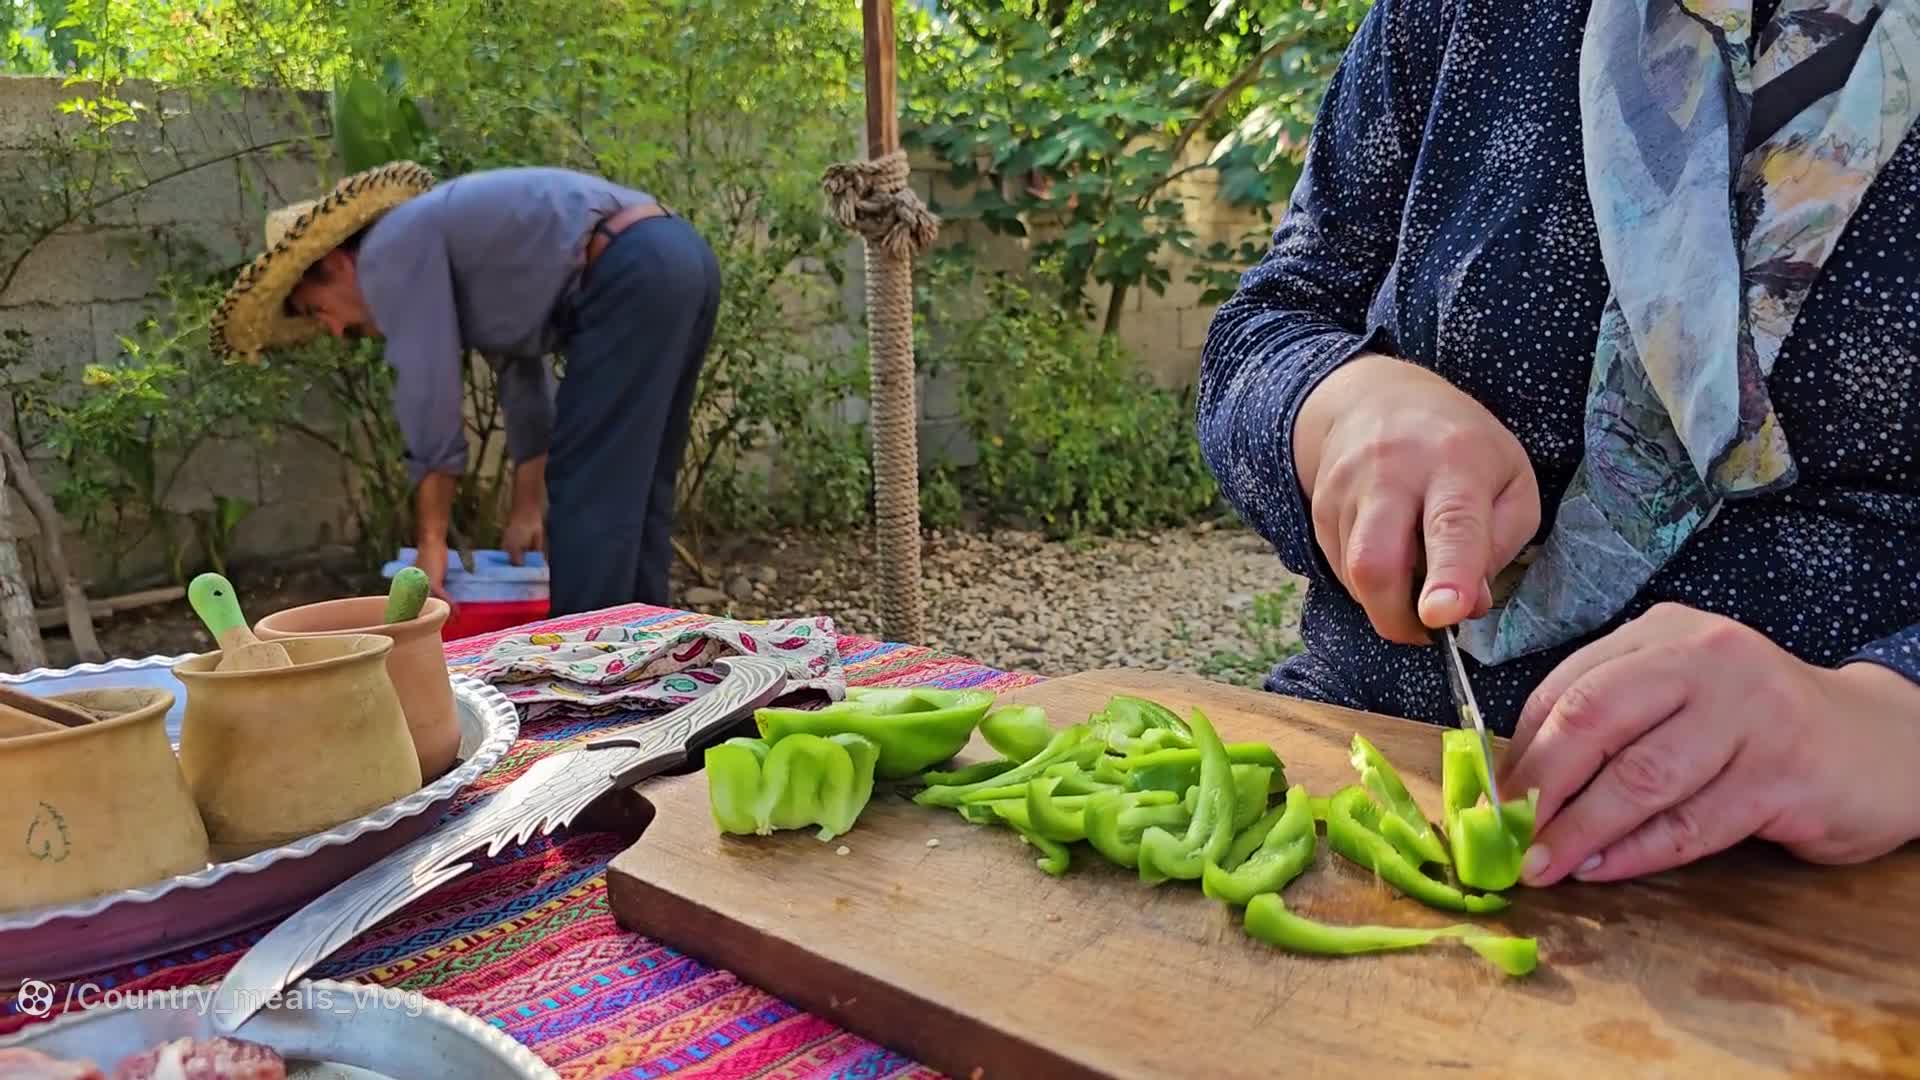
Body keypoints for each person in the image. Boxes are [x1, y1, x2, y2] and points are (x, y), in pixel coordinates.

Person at [1197, 0, 1920, 891]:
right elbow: (1269, 325)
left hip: (1834, 890)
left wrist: (1889, 714)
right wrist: (1340, 404)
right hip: (1362, 780)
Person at [213, 162, 720, 616]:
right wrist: (525, 509)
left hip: (632, 270)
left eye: (315, 309)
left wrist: (430, 542)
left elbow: (430, 400)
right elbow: (525, 379)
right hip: (678, 256)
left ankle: (590, 679)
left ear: (337, 263)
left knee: (593, 492)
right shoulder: (445, 249)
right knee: (636, 487)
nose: (336, 330)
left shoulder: (387, 257)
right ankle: (649, 657)